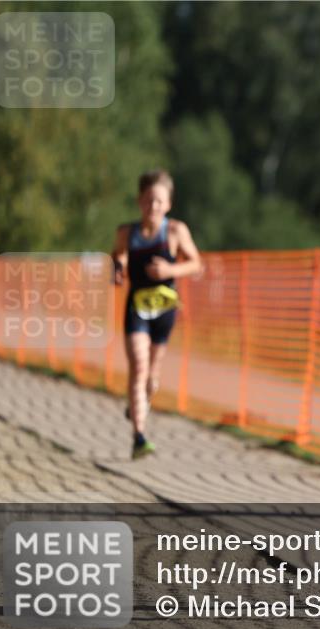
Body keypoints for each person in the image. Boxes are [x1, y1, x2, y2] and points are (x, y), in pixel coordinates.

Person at [111, 170, 202, 459]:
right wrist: (117, 266)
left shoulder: (175, 231)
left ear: (168, 204)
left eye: (159, 201)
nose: (153, 207)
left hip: (164, 308)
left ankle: (138, 402)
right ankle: (139, 436)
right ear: (139, 201)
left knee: (151, 373)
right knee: (138, 366)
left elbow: (196, 263)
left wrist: (169, 271)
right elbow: (118, 254)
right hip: (137, 306)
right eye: (149, 200)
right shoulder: (127, 232)